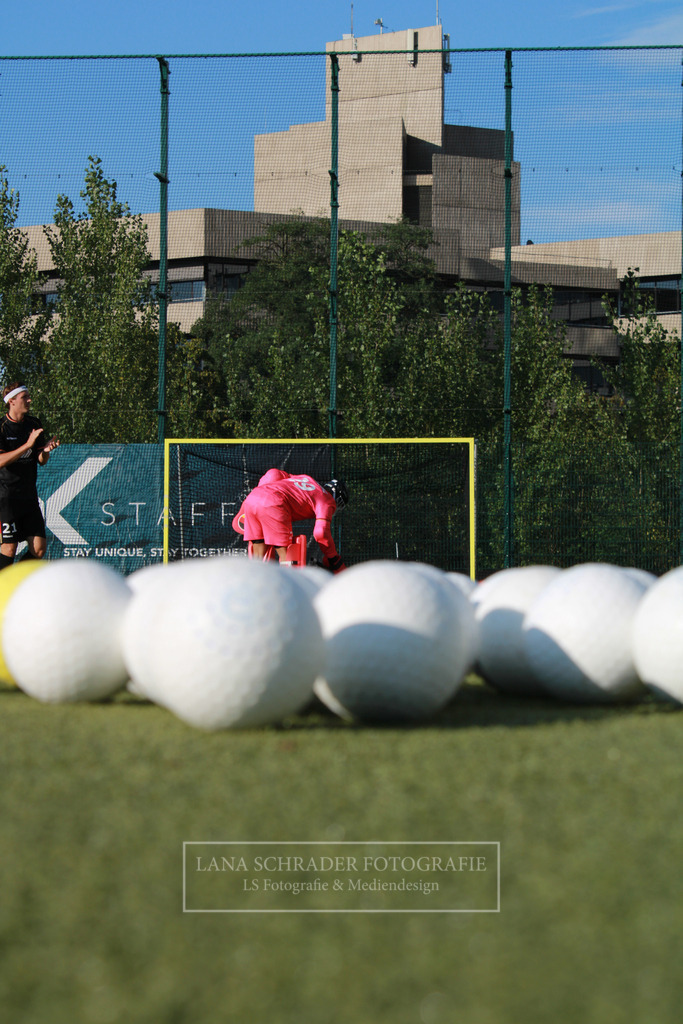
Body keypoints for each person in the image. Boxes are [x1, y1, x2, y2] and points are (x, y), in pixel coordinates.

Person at [233, 469, 349, 573]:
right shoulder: (327, 500)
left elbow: (273, 474)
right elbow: (321, 533)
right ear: (337, 498)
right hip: (274, 503)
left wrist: (262, 494)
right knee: (285, 555)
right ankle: (288, 592)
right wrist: (333, 557)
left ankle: (252, 588)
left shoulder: (306, 478)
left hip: (253, 498)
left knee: (257, 559)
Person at [0, 383, 60, 570]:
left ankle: (16, 583)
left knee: (39, 549)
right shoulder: (2, 428)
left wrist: (46, 450)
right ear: (11, 401)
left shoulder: (33, 424)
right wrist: (27, 445)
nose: (29, 400)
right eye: (24, 397)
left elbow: (41, 460)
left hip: (29, 497)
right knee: (9, 548)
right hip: (6, 498)